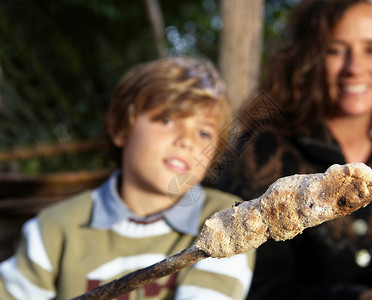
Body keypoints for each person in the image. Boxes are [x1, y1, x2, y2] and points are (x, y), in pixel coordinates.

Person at [217, 0, 372, 299]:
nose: (354, 68)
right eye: (335, 49)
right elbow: (248, 281)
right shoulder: (262, 149)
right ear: (309, 57)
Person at [0, 57, 254, 299]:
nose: (186, 140)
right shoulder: (54, 229)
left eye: (203, 133)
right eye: (167, 119)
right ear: (120, 128)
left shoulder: (228, 221)